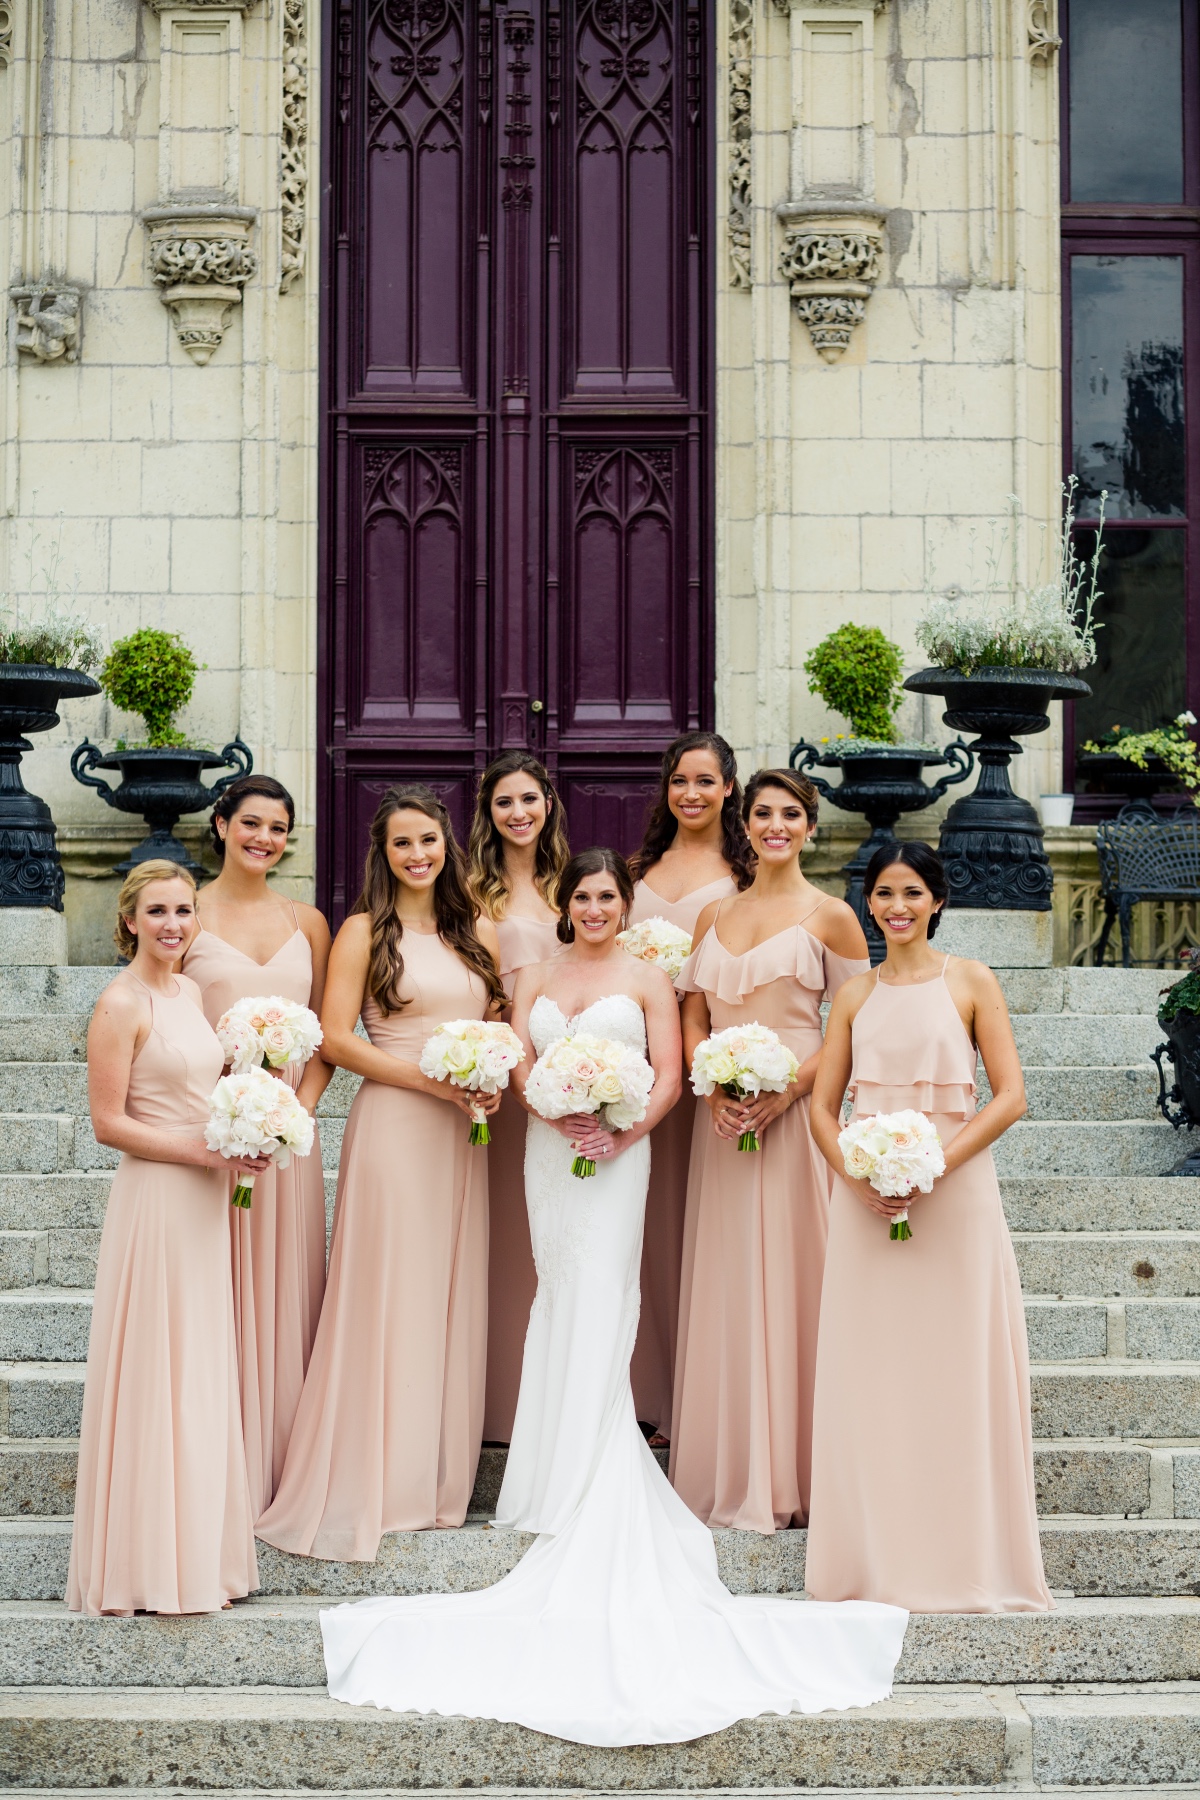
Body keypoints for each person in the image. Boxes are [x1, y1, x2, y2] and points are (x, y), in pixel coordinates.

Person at [318, 848, 907, 1746]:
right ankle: (545, 1474)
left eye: (606, 897)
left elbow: (671, 1074)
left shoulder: (647, 977)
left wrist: (621, 1131)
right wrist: (556, 1111)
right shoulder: (536, 974)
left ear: (625, 906)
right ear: (568, 906)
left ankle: (593, 1465)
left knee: (603, 1294)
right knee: (556, 1295)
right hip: (552, 1152)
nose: (594, 907)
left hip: (620, 1154)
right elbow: (518, 1060)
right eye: (582, 896)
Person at [255, 786, 506, 1559]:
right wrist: (429, 1080)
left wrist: (490, 1072)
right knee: (391, 1290)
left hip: (466, 1132)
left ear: (448, 845)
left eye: (428, 840)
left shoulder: (480, 934)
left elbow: (498, 1020)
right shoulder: (365, 931)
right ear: (384, 853)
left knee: (448, 1292)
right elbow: (334, 1038)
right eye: (403, 844)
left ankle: (434, 1481)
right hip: (398, 1123)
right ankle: (379, 1476)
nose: (418, 855)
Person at [806, 841, 1052, 1613]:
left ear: (937, 900)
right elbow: (821, 1106)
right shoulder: (853, 996)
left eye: (912, 892)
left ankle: (967, 1558)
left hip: (956, 1190)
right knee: (874, 1372)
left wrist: (934, 1166)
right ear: (868, 904)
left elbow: (1009, 1096)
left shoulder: (972, 980)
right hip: (867, 1197)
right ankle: (873, 1561)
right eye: (883, 893)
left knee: (955, 1366)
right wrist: (856, 1173)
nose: (897, 906)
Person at [670, 769, 869, 1534]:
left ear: (810, 828)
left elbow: (852, 1025)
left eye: (791, 814)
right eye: (763, 814)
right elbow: (693, 1013)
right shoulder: (714, 913)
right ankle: (727, 1471)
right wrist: (713, 1086)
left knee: (797, 1282)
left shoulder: (833, 918)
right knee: (729, 1283)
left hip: (797, 1119)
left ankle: (803, 1472)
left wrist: (785, 1096)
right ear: (743, 825)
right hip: (722, 1127)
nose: (776, 825)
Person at [67, 861, 265, 1616]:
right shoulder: (121, 1002)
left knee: (199, 1363)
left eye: (184, 910)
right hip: (158, 1197)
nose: (174, 924)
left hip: (207, 1195)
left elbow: (202, 1087)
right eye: (158, 912)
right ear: (129, 921)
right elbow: (108, 1123)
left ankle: (198, 1557)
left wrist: (248, 1116)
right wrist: (205, 1153)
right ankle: (147, 1564)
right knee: (160, 1366)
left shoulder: (191, 992)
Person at [182, 774, 332, 1517]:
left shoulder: (309, 921)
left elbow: (329, 1037)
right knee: (215, 1297)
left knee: (288, 1295)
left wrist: (290, 1117)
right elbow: (163, 1032)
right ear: (220, 824)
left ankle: (277, 1468)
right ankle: (212, 1468)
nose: (263, 839)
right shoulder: (185, 914)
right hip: (214, 1139)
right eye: (250, 824)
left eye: (277, 828)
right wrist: (227, 1123)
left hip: (288, 1147)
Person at [625, 732, 753, 1441]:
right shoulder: (639, 866)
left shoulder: (745, 872)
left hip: (705, 1069)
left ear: (729, 788)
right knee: (640, 1230)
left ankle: (695, 1400)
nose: (692, 794)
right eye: (680, 781)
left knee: (692, 1230)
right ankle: (641, 1394)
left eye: (705, 781)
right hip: (634, 1069)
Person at [467, 751, 570, 1443]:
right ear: (488, 813)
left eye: (529, 799)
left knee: (556, 1234)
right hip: (502, 1078)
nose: (519, 813)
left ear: (548, 804)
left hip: (566, 1078)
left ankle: (555, 1395)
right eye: (505, 802)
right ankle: (497, 1400)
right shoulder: (472, 892)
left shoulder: (574, 889)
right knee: (504, 1233)